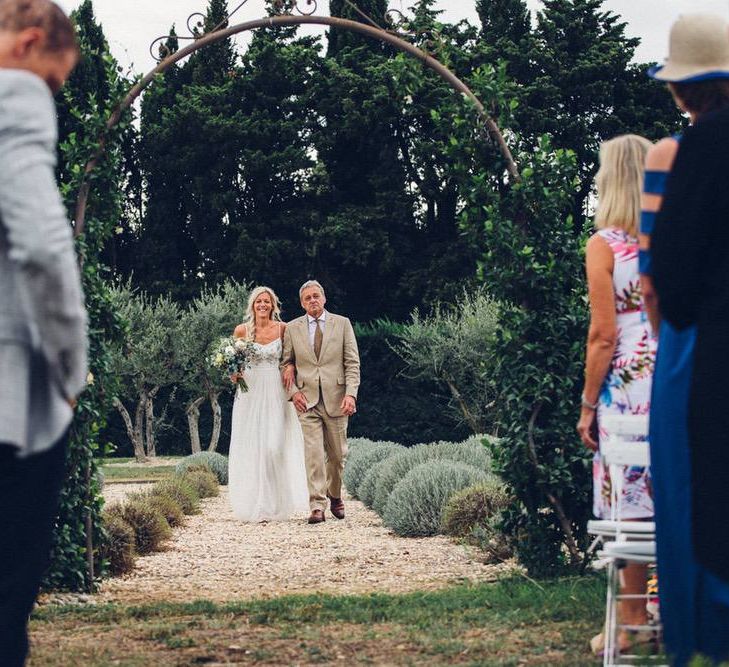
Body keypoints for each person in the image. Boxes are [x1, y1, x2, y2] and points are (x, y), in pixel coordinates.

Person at [0, 2, 86, 665]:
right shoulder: (14, 96)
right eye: (54, 80)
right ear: (29, 43)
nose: (48, 94)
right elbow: (42, 246)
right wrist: (68, 368)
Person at [647, 14, 729, 664]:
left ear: (683, 90)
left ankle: (704, 631)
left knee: (692, 486)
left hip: (703, 345)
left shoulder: (691, 149)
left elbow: (666, 273)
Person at [576, 134, 657, 655]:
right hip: (674, 378)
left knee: (627, 504)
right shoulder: (668, 238)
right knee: (668, 495)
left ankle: (630, 624)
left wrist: (586, 405)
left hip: (627, 387)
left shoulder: (604, 244)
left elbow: (603, 335)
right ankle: (665, 613)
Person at [227, 286, 309, 522]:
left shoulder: (283, 329)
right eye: (258, 302)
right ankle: (259, 504)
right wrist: (233, 373)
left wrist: (291, 367)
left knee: (274, 447)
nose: (262, 305)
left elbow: (292, 357)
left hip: (276, 390)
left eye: (267, 301)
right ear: (252, 305)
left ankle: (278, 504)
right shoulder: (242, 331)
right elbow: (235, 365)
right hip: (250, 393)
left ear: (273, 305)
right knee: (254, 447)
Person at [282, 280, 360, 524]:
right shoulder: (293, 328)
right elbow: (285, 364)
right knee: (314, 454)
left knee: (338, 455)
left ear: (324, 299)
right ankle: (317, 505)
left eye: (316, 296)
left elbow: (352, 363)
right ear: (302, 303)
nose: (312, 301)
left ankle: (334, 494)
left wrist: (351, 394)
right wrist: (293, 393)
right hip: (307, 401)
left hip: (337, 398)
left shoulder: (343, 323)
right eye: (307, 298)